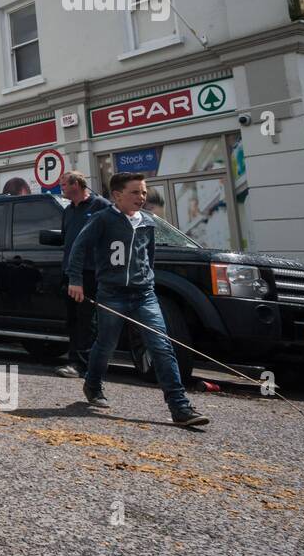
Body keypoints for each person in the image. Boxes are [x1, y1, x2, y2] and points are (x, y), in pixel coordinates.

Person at [67, 172, 210, 428]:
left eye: (144, 192)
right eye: (135, 192)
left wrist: (147, 279)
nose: (141, 197)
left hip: (144, 294)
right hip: (112, 294)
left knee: (162, 346)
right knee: (106, 344)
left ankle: (180, 407)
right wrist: (75, 280)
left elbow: (149, 255)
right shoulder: (102, 220)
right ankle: (93, 384)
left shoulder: (148, 222)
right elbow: (79, 248)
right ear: (117, 195)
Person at [55, 170, 111, 378]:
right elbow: (66, 239)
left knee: (87, 320)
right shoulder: (68, 211)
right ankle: (74, 360)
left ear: (76, 184)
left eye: (63, 185)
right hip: (70, 273)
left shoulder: (101, 206)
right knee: (73, 319)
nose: (61, 188)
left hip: (90, 273)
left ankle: (83, 364)